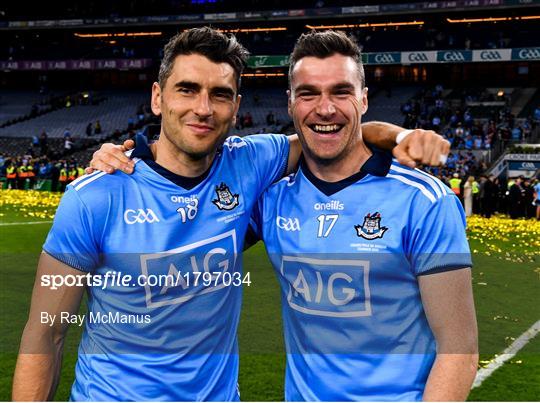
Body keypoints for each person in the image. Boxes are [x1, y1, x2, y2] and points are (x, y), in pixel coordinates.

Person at [14, 28, 449, 402]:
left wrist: (402, 134)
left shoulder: (251, 162)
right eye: (187, 89)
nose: (203, 108)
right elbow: (45, 334)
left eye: (219, 94)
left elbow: (339, 132)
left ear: (235, 106)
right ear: (157, 97)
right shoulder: (95, 196)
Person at [248, 31, 477, 401]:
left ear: (364, 99)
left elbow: (459, 349)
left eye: (341, 92)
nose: (325, 108)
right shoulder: (270, 199)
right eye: (309, 93)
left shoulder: (424, 202)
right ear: (290, 103)